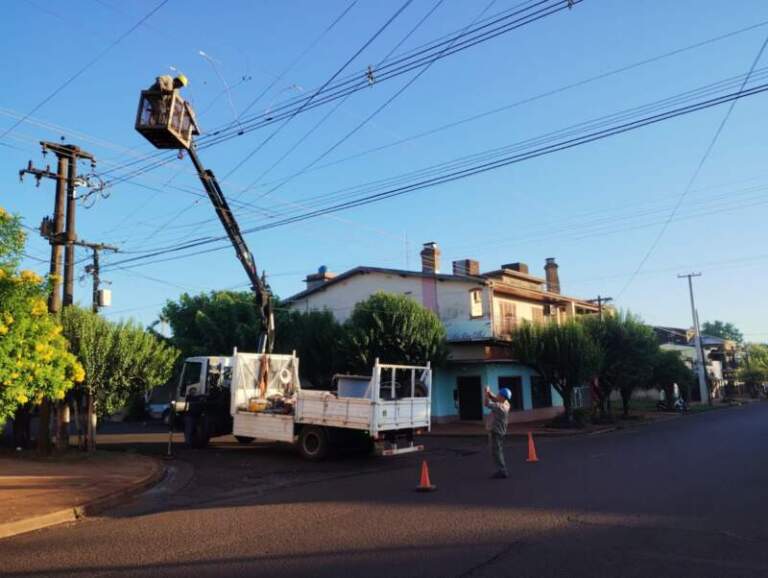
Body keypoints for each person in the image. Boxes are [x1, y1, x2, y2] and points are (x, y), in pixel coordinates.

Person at [485, 386, 511, 479]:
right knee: (497, 450)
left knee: (496, 452)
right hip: (500, 431)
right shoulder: (506, 404)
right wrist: (489, 392)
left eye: (499, 394)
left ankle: (502, 470)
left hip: (496, 432)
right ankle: (501, 469)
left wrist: (486, 394)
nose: (498, 395)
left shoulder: (499, 407)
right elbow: (495, 398)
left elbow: (487, 403)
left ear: (503, 397)